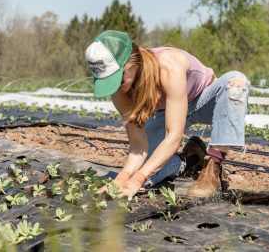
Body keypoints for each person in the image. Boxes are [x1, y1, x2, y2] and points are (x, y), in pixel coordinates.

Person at [85, 30, 250, 199]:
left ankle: (213, 167)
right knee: (149, 169)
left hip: (203, 101)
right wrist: (122, 179)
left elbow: (174, 136)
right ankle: (191, 158)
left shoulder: (168, 65)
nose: (116, 86)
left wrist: (137, 180)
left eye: (118, 78)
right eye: (109, 81)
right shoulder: (119, 90)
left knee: (236, 82)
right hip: (166, 112)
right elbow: (138, 145)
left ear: (132, 62)